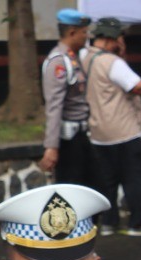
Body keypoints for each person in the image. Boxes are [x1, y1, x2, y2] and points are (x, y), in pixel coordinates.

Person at [83, 18, 141, 238]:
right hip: (123, 131)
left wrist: (120, 54)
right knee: (133, 179)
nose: (122, 40)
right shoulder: (112, 63)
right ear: (111, 38)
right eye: (120, 37)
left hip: (99, 131)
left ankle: (109, 222)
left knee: (108, 181)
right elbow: (137, 86)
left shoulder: (87, 57)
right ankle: (137, 222)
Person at [39, 9, 94, 187]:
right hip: (70, 141)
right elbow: (54, 106)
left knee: (88, 188)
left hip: (83, 135)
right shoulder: (58, 62)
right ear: (72, 33)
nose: (87, 36)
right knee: (72, 191)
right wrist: (52, 147)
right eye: (84, 32)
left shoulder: (74, 58)